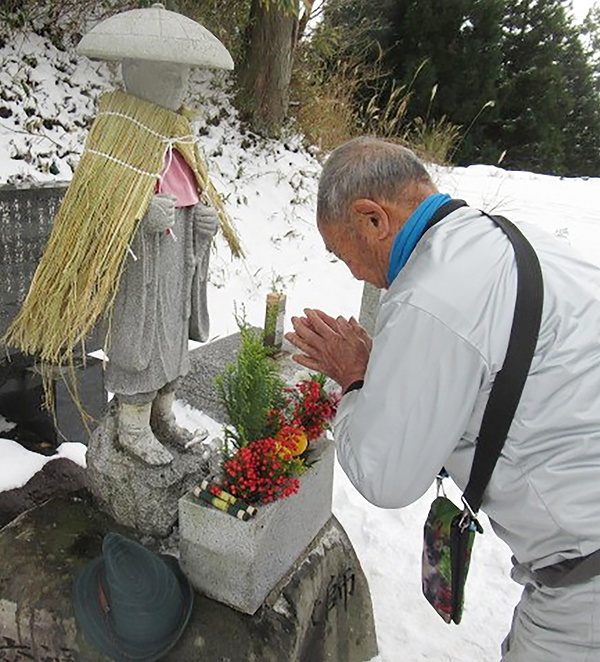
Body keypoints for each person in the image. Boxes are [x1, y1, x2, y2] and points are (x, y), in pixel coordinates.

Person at [285, 136, 600, 661]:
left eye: (343, 255)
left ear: (372, 220)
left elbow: (384, 475)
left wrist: (358, 377)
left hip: (584, 582)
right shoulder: (513, 239)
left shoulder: (430, 294)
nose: (356, 273)